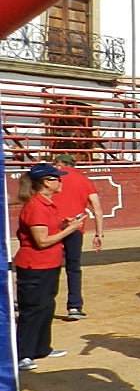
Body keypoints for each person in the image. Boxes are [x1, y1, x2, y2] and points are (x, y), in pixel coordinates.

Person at [14, 162, 83, 371]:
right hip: (35, 266)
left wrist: (64, 225)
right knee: (33, 309)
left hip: (48, 264)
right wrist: (70, 229)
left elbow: (48, 231)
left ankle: (41, 347)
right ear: (46, 182)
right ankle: (24, 353)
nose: (61, 182)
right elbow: (41, 241)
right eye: (57, 179)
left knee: (46, 306)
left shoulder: (45, 204)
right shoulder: (36, 206)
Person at [53, 153, 104, 321]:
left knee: (48, 267)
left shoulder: (52, 179)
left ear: (59, 164)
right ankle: (74, 307)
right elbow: (97, 208)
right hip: (75, 228)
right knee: (73, 268)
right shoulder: (84, 180)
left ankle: (40, 304)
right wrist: (99, 234)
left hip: (52, 227)